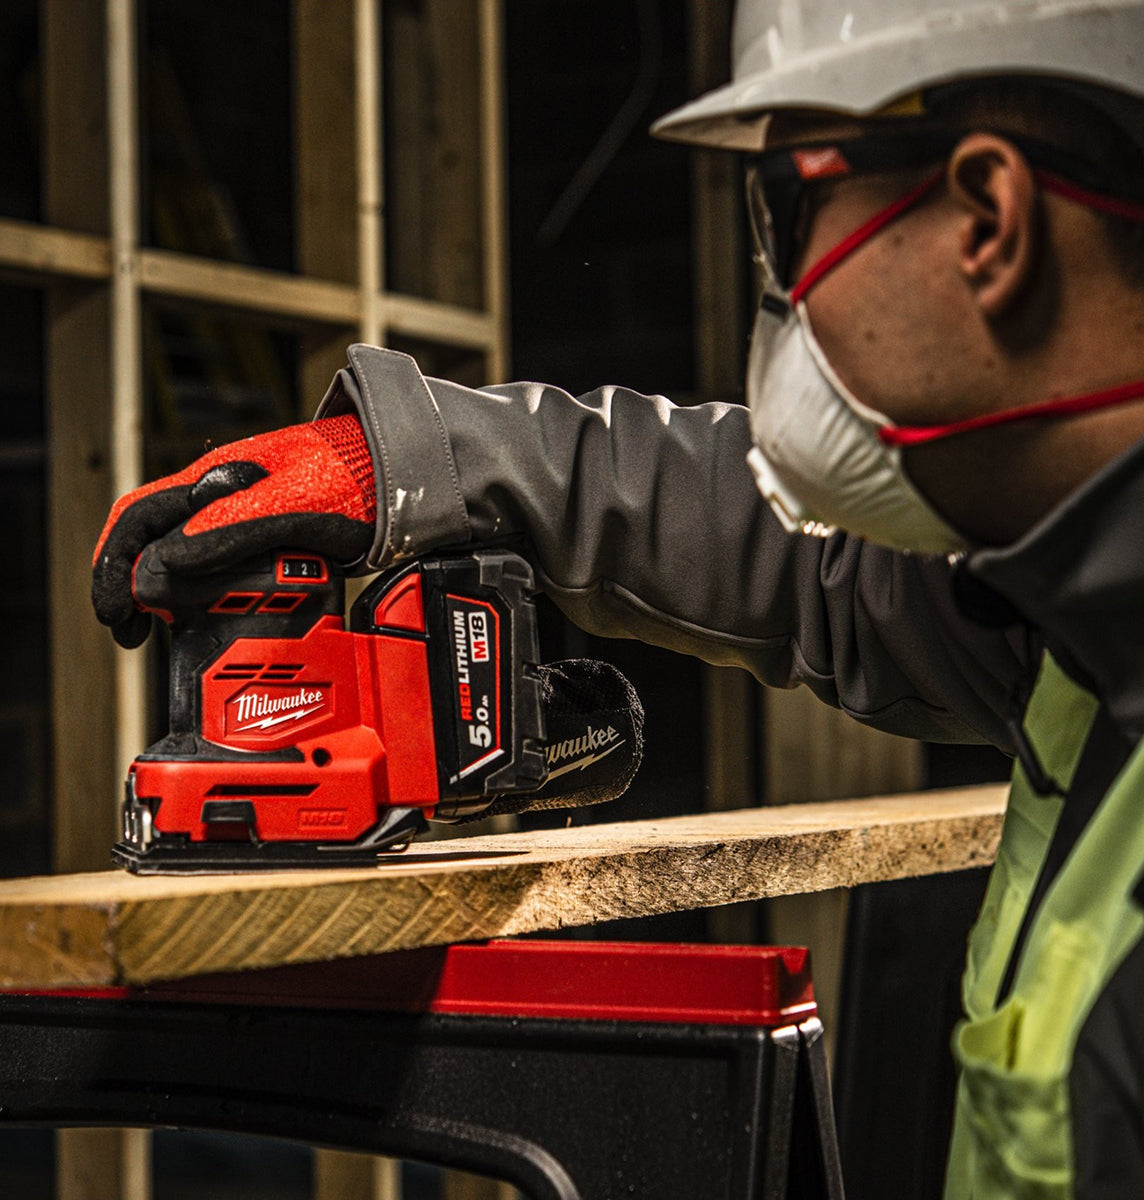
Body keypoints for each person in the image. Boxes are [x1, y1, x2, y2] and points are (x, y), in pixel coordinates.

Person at [94, 0, 1144, 1194]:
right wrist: (435, 460)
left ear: (988, 222)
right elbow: (824, 567)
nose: (782, 289)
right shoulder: (1080, 636)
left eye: (787, 207)